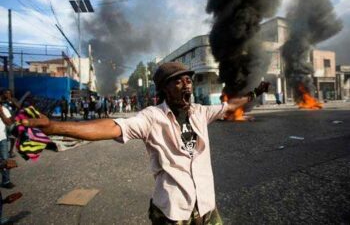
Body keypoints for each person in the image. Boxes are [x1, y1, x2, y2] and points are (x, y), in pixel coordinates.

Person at [22, 62, 269, 224]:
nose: (186, 84)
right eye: (178, 81)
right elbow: (112, 126)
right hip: (173, 212)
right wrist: (53, 126)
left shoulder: (200, 112)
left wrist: (254, 94)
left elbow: (227, 107)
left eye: (188, 80)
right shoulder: (152, 117)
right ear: (164, 89)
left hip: (206, 206)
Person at [0, 98, 15, 189]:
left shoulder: (4, 109)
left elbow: (9, 122)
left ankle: (6, 181)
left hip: (2, 139)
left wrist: (1, 112)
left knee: (5, 160)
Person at [1, 89, 20, 159]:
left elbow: (19, 107)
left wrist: (12, 101)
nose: (7, 95)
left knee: (12, 137)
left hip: (12, 121)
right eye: (6, 93)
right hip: (3, 121)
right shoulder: (1, 101)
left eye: (9, 93)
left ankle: (11, 151)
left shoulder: (13, 100)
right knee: (3, 137)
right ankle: (3, 152)